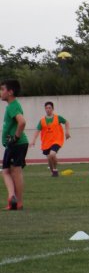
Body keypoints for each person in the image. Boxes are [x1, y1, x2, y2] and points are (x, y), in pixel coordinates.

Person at [1, 79, 28, 210]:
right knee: (6, 171)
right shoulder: (12, 105)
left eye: (2, 89)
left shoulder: (13, 106)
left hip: (17, 144)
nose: (0, 92)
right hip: (13, 145)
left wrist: (15, 138)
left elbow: (22, 122)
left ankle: (18, 202)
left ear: (10, 92)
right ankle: (13, 197)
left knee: (15, 171)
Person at [29, 102, 71, 177]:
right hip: (46, 143)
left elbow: (66, 122)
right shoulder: (42, 121)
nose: (48, 109)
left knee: (52, 154)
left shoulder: (58, 118)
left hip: (57, 140)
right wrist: (33, 141)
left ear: (52, 109)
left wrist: (67, 132)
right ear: (45, 109)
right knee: (49, 158)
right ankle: (53, 172)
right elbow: (37, 131)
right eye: (46, 108)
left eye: (49, 108)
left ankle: (54, 169)